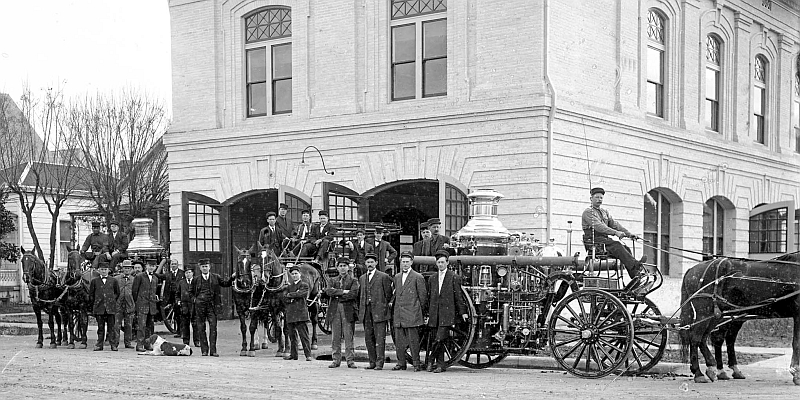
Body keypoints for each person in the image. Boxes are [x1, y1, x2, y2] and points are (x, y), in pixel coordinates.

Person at [581, 187, 647, 289]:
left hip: (604, 240)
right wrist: (615, 233)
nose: (599, 199)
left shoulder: (604, 212)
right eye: (597, 197)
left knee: (625, 248)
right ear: (591, 199)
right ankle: (635, 267)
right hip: (594, 241)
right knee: (617, 245)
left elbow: (615, 224)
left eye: (601, 198)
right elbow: (599, 227)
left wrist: (629, 234)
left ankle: (635, 277)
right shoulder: (588, 212)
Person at [426, 250, 468, 373]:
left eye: (443, 262)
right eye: (438, 262)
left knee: (439, 339)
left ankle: (430, 360)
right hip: (434, 313)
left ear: (447, 263)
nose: (440, 264)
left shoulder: (454, 277)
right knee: (437, 340)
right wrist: (428, 313)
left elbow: (458, 296)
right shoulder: (432, 278)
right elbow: (429, 297)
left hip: (447, 313)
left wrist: (463, 312)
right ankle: (440, 365)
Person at [390, 251, 427, 371]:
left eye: (407, 262)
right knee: (399, 340)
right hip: (399, 313)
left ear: (411, 262)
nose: (405, 264)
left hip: (412, 313)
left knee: (413, 341)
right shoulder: (397, 277)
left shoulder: (418, 277)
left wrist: (419, 313)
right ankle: (401, 363)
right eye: (403, 262)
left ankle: (416, 363)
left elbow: (422, 298)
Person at [190, 258, 234, 357]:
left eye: (206, 266)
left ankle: (213, 351)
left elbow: (226, 284)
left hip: (212, 306)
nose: (205, 268)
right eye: (203, 267)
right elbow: (190, 292)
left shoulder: (216, 277)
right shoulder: (196, 280)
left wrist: (232, 278)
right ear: (200, 268)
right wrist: (195, 300)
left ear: (209, 267)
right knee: (201, 328)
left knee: (213, 328)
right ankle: (204, 350)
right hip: (200, 307)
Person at [358, 252, 393, 370]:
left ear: (376, 263)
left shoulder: (383, 277)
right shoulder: (362, 278)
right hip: (366, 311)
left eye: (372, 262)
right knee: (368, 337)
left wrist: (383, 307)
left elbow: (388, 294)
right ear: (365, 263)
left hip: (379, 311)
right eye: (368, 262)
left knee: (379, 338)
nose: (370, 264)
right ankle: (372, 361)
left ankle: (379, 363)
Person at [324, 257, 360, 368]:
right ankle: (336, 359)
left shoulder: (354, 280)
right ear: (337, 267)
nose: (342, 268)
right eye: (340, 266)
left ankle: (350, 360)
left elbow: (353, 294)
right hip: (335, 309)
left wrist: (337, 295)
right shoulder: (332, 280)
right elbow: (328, 291)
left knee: (348, 335)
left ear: (348, 267)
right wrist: (343, 292)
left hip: (347, 309)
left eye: (344, 266)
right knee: (336, 336)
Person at [282, 265, 313, 361]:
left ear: (300, 274)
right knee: (292, 336)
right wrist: (294, 296)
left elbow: (302, 294)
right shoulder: (288, 287)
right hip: (290, 314)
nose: (294, 275)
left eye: (296, 273)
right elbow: (284, 298)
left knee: (304, 336)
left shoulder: (304, 285)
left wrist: (291, 295)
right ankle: (293, 355)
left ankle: (308, 355)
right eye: (293, 274)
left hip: (301, 314)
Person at [89, 262, 120, 351]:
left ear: (108, 270)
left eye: (105, 269)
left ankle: (113, 344)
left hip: (110, 308)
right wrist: (95, 304)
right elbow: (91, 294)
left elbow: (117, 293)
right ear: (99, 271)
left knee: (111, 327)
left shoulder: (113, 280)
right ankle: (99, 344)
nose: (103, 271)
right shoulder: (94, 281)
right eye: (102, 269)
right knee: (100, 327)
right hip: (99, 307)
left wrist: (112, 301)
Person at [132, 260, 160, 352]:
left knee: (150, 326)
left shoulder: (155, 278)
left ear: (155, 267)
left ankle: (148, 344)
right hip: (142, 305)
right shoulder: (139, 276)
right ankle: (139, 344)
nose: (151, 267)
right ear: (146, 266)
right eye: (149, 265)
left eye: (153, 266)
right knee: (141, 326)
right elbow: (134, 291)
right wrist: (138, 302)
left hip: (151, 305)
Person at [156, 258, 184, 338]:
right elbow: (159, 276)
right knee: (177, 315)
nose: (173, 265)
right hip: (171, 297)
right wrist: (152, 273)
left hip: (180, 296)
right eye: (172, 264)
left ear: (177, 265)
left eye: (175, 264)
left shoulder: (182, 273)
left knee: (182, 315)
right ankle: (179, 331)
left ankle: (183, 332)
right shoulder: (168, 274)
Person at [114, 260, 136, 349]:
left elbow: (136, 292)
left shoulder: (134, 280)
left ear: (131, 269)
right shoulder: (116, 279)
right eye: (125, 268)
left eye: (128, 268)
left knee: (129, 325)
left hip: (129, 305)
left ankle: (128, 342)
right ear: (122, 269)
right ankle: (115, 343)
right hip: (118, 305)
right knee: (116, 325)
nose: (127, 270)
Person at [177, 265, 199, 347]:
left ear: (192, 273)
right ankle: (186, 341)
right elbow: (177, 294)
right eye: (186, 273)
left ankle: (197, 341)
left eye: (189, 272)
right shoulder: (181, 283)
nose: (188, 274)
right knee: (185, 325)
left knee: (196, 325)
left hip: (194, 306)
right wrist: (178, 301)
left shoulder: (196, 282)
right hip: (184, 306)